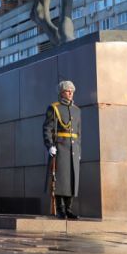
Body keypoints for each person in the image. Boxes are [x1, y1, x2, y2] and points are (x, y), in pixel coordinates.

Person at [43, 80, 81, 219]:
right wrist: (50, 146)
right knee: (60, 180)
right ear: (61, 93)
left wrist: (79, 151)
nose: (70, 93)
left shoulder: (77, 110)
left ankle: (69, 209)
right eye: (67, 91)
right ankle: (60, 209)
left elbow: (78, 133)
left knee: (72, 180)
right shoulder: (54, 108)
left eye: (72, 91)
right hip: (60, 147)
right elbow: (47, 129)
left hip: (73, 149)